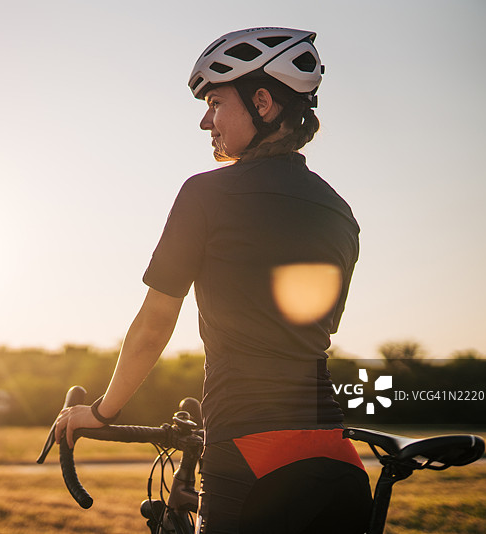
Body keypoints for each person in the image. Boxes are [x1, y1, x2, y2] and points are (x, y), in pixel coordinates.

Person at [55, 27, 372, 533]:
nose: (206, 121)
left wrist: (103, 412)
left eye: (216, 103)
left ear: (263, 101)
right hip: (337, 459)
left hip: (250, 454)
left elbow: (156, 321)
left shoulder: (207, 194)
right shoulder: (340, 212)